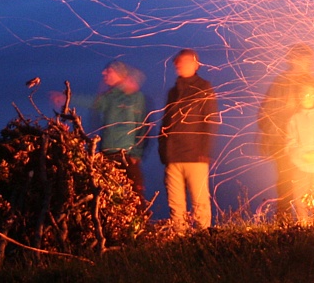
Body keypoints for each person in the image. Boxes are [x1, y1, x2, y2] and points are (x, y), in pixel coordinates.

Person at [258, 43, 314, 219]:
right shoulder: (281, 83)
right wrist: (278, 135)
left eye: (309, 60)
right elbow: (265, 113)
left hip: (311, 146)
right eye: (303, 59)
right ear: (293, 59)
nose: (308, 63)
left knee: (313, 184)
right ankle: (285, 221)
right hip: (284, 145)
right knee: (286, 183)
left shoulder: (313, 84)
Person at [159, 49, 219, 233]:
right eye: (177, 62)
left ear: (195, 64)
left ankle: (203, 238)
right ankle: (180, 241)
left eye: (183, 62)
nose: (178, 65)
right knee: (175, 204)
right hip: (173, 157)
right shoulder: (173, 91)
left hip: (195, 156)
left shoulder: (203, 88)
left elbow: (210, 121)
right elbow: (166, 122)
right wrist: (164, 151)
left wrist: (205, 151)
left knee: (200, 202)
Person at [92, 60, 149, 198]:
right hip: (106, 154)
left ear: (119, 74)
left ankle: (138, 217)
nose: (103, 73)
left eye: (109, 70)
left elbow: (142, 126)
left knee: (134, 195)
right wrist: (65, 98)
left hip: (126, 155)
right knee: (108, 196)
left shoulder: (134, 97)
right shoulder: (109, 97)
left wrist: (136, 153)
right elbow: (91, 102)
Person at [285, 82, 314, 223]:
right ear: (300, 97)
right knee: (300, 202)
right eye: (305, 94)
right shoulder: (294, 119)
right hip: (301, 168)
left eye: (312, 94)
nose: (308, 97)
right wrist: (302, 155)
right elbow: (290, 144)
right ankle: (304, 229)